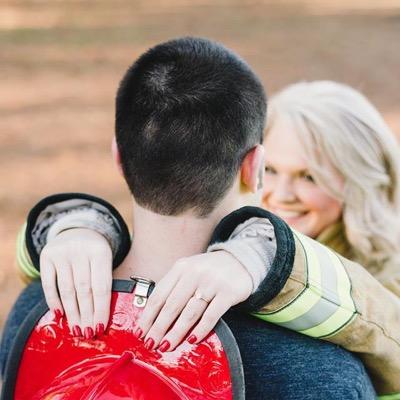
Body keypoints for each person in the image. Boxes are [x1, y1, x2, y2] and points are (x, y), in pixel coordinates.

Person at [1, 40, 388, 398]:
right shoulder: (323, 369)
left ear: (119, 157)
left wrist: (74, 225)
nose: (285, 193)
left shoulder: (41, 310)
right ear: (255, 168)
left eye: (308, 176)